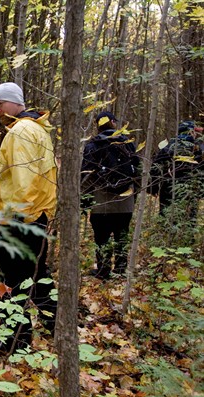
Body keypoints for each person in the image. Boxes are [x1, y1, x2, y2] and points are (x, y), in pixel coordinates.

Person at [0, 82, 57, 355]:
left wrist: (19, 218)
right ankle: (57, 326)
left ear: (15, 102)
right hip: (35, 217)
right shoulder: (37, 129)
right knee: (37, 275)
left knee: (5, 280)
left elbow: (24, 178)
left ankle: (16, 340)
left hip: (20, 219)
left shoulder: (22, 131)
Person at [81, 111, 139, 279]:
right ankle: (121, 270)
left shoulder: (92, 146)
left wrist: (85, 199)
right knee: (122, 235)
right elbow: (138, 170)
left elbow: (86, 175)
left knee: (102, 237)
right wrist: (135, 194)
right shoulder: (127, 143)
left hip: (101, 201)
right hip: (125, 200)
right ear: (113, 122)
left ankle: (103, 270)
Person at [149, 120, 203, 220]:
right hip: (190, 193)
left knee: (166, 219)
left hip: (167, 191)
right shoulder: (198, 150)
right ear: (190, 132)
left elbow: (155, 170)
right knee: (188, 221)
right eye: (194, 132)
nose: (196, 134)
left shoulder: (167, 148)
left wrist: (153, 189)